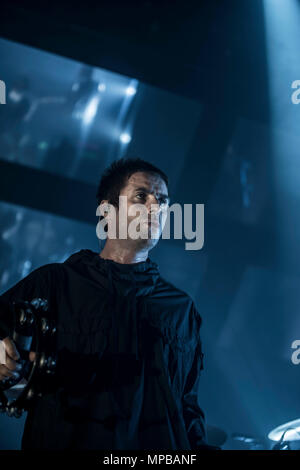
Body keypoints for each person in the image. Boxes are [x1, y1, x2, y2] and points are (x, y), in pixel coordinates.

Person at [0, 157, 207, 450]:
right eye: (141, 196)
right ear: (107, 212)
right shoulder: (56, 283)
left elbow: (188, 408)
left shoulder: (181, 309)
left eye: (162, 201)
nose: (155, 208)